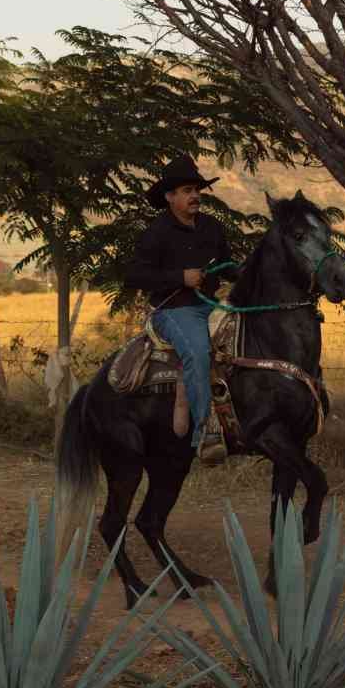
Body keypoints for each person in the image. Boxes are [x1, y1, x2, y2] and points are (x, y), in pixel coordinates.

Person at [125, 155, 238, 465]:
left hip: (213, 307)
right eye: (187, 190)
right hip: (173, 311)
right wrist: (180, 277)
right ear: (169, 197)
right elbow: (133, 275)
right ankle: (207, 432)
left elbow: (229, 268)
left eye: (196, 190)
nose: (195, 196)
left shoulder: (212, 227)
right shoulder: (156, 232)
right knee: (199, 353)